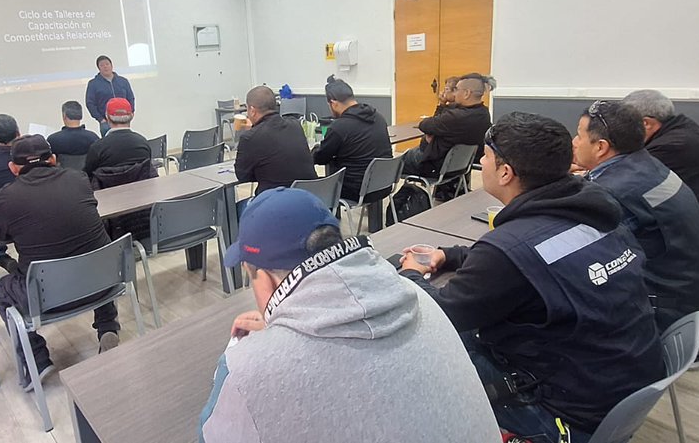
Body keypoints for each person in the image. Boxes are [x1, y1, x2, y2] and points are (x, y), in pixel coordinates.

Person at [396, 112, 663, 441]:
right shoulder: (597, 213)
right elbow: (531, 259)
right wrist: (450, 255)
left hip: (562, 412)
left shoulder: (509, 248)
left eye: (487, 156)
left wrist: (411, 273)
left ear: (505, 172)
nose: (482, 160)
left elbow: (443, 312)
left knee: (422, 350)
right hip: (620, 386)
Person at [200, 188, 498, 443]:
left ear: (265, 279)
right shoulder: (419, 296)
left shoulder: (248, 371)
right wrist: (286, 330)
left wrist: (248, 359)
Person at [572, 100, 699, 333]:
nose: (574, 143)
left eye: (579, 136)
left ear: (600, 147)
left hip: (658, 311)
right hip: (689, 293)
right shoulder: (647, 164)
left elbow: (579, 257)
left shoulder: (611, 193)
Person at [0, 135, 121, 390]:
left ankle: (37, 360)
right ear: (53, 160)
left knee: (3, 290)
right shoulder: (79, 179)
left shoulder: (7, 198)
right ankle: (108, 327)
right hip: (103, 281)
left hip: (47, 296)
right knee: (93, 256)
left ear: (13, 168)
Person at [622, 89, 699, 255]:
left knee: (617, 241)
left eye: (627, 123)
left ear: (646, 123)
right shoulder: (680, 128)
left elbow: (626, 179)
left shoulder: (673, 145)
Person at [312, 76, 393, 226]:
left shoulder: (339, 127)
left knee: (328, 180)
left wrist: (314, 151)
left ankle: (331, 225)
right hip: (383, 184)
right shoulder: (378, 117)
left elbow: (321, 158)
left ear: (333, 103)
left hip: (357, 190)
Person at [402, 74, 492, 178]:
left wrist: (434, 133)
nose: (455, 93)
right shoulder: (483, 113)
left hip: (436, 166)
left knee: (396, 165)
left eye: (457, 90)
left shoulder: (456, 117)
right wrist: (443, 104)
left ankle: (406, 193)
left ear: (467, 93)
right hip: (460, 166)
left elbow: (425, 125)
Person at [233, 85, 316, 196]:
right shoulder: (295, 125)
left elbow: (243, 176)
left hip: (275, 206)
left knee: (235, 210)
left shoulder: (249, 138)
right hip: (310, 201)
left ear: (252, 111)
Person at [84, 98, 150, 176]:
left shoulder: (97, 148)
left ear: (107, 116)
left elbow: (88, 176)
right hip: (140, 188)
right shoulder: (143, 144)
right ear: (132, 116)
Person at [85, 55, 135, 137]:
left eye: (107, 64)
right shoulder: (93, 84)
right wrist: (100, 119)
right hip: (106, 122)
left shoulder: (123, 81)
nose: (105, 67)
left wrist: (132, 112)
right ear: (99, 68)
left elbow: (130, 98)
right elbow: (90, 103)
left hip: (124, 120)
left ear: (111, 65)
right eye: (102, 65)